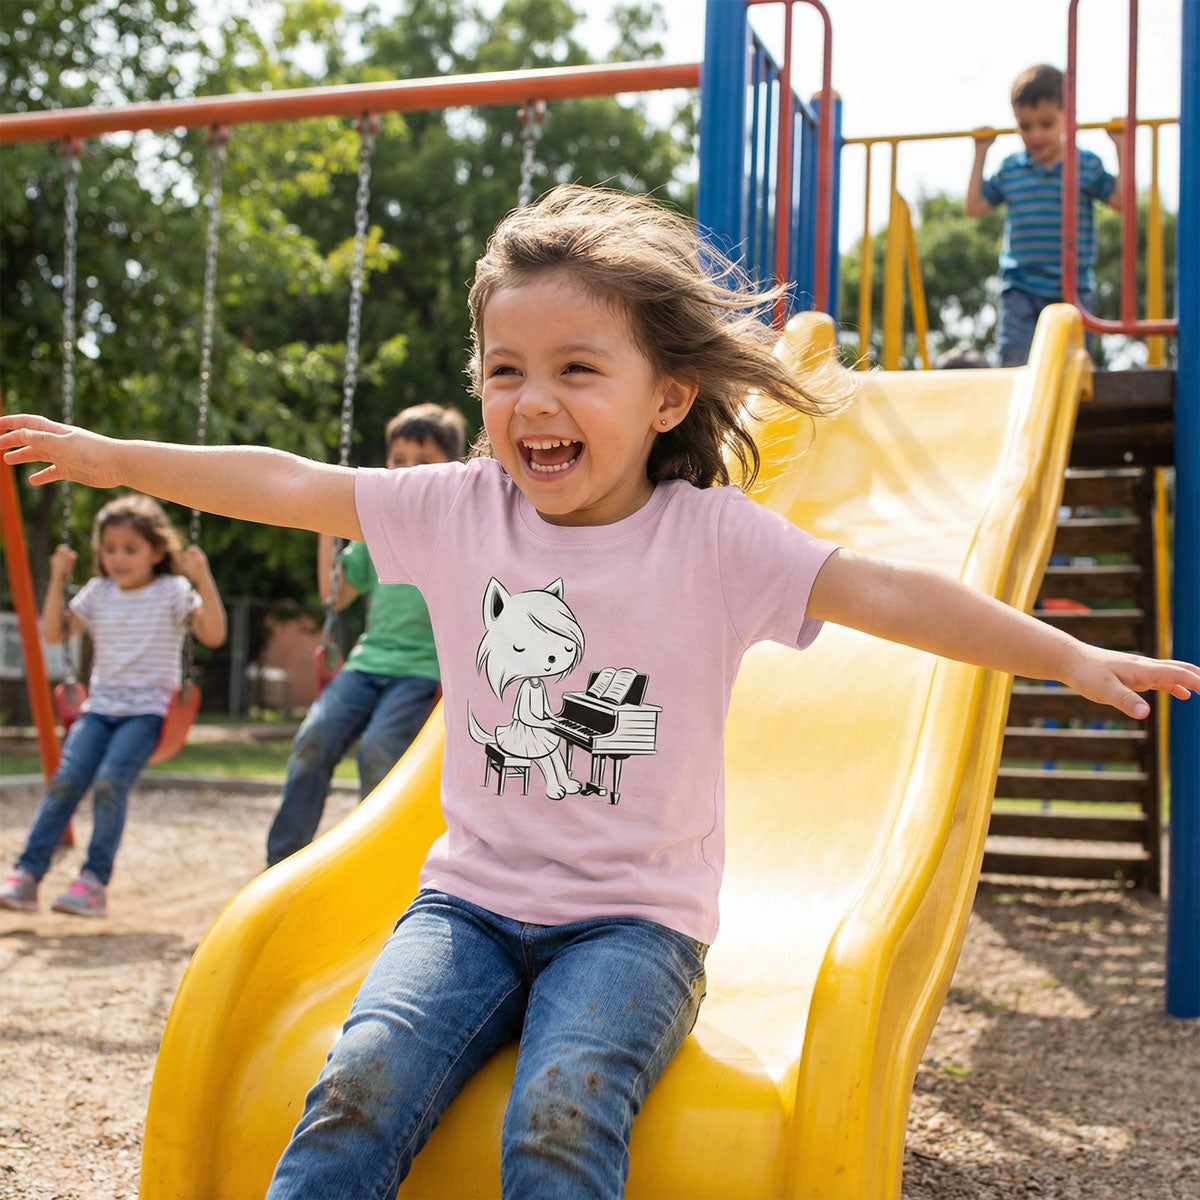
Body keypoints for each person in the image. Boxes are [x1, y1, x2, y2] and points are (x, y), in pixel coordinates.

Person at [1, 185, 1196, 1197]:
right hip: (467, 905)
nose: (535, 401)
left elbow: (893, 596)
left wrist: (1065, 654)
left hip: (637, 925)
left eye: (579, 369)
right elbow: (291, 481)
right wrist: (116, 459)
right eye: (506, 369)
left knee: (560, 1118)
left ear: (666, 397)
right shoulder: (460, 508)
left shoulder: (715, 540)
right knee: (358, 1086)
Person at [0, 494, 226, 918]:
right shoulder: (98, 592)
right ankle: (27, 876)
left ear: (157, 551)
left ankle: (93, 882)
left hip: (148, 713)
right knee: (65, 780)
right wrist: (57, 577)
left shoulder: (173, 591)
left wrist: (203, 578)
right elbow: (54, 634)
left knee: (109, 781)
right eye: (109, 549)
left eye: (130, 549)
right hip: (99, 708)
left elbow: (213, 634)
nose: (117, 558)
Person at [265, 403, 466, 868]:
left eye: (422, 460)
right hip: (366, 664)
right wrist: (325, 521)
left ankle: (372, 866)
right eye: (397, 459)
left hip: (422, 672)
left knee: (379, 751)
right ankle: (280, 863)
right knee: (313, 739)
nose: (405, 470)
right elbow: (333, 597)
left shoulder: (456, 527)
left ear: (451, 470)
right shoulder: (375, 531)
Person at [966, 63, 1123, 366]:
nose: (1035, 135)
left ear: (1068, 119)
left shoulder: (1085, 165)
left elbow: (1120, 202)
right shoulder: (1012, 169)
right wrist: (980, 153)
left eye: (1046, 123)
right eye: (1025, 126)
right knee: (1014, 361)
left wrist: (1122, 147)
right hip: (1020, 286)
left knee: (1073, 367)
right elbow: (974, 208)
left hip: (1071, 289)